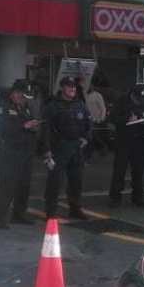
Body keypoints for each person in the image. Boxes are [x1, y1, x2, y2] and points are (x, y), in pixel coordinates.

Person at [0, 81, 40, 229]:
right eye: (21, 95)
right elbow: (1, 127)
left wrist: (33, 125)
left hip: (24, 152)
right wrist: (23, 126)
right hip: (8, 151)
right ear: (14, 93)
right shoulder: (3, 106)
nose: (23, 98)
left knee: (23, 185)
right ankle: (0, 218)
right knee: (7, 185)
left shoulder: (24, 107)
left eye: (25, 96)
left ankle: (19, 214)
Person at [43, 76, 91, 220]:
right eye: (69, 86)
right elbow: (46, 129)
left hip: (76, 147)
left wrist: (86, 138)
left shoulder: (80, 104)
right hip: (59, 147)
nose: (72, 89)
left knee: (76, 181)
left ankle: (75, 209)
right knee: (55, 181)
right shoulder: (53, 106)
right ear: (62, 88)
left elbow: (88, 124)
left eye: (74, 87)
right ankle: (51, 212)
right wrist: (47, 149)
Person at [109, 84, 144, 208]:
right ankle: (115, 198)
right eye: (137, 98)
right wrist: (127, 120)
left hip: (139, 141)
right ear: (132, 95)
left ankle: (138, 197)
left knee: (138, 171)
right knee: (119, 171)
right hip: (124, 141)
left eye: (141, 99)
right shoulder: (121, 101)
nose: (139, 101)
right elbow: (113, 119)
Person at [85, 81, 108, 156]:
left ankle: (103, 148)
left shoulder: (97, 95)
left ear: (92, 86)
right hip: (88, 120)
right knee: (91, 138)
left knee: (94, 137)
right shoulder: (86, 95)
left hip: (96, 120)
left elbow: (103, 108)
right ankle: (97, 150)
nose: (88, 87)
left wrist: (102, 118)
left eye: (90, 85)